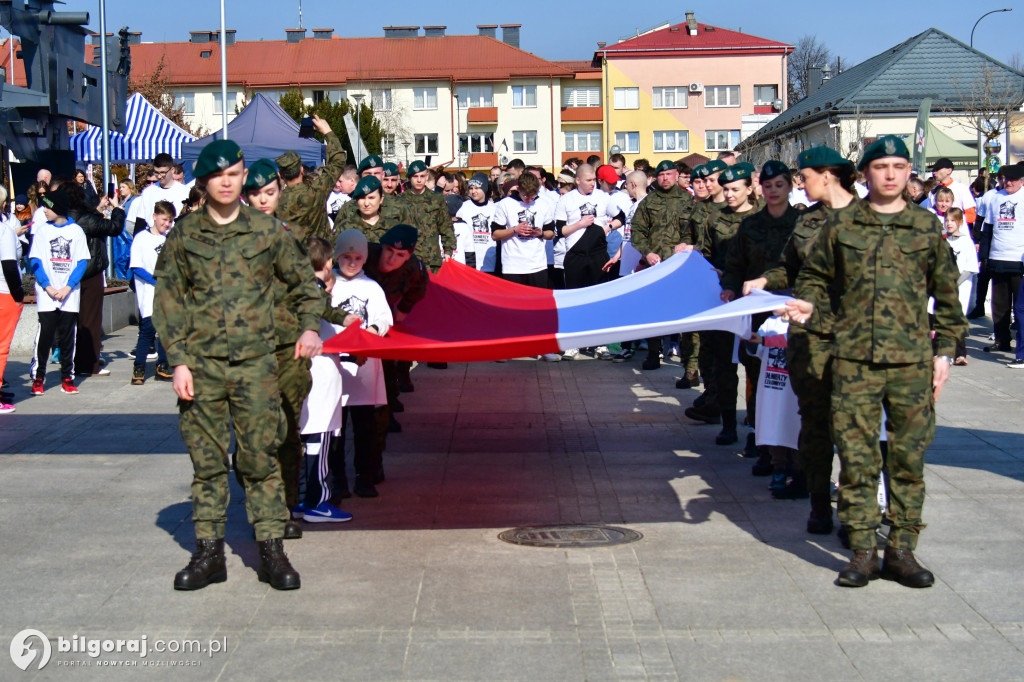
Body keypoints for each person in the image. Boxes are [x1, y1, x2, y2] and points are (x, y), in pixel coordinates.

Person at [788, 135, 967, 588]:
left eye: (899, 166)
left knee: (907, 458)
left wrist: (945, 352)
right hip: (853, 360)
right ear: (864, 173)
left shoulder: (927, 228)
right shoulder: (842, 225)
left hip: (910, 362)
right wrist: (808, 304)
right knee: (857, 456)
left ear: (909, 173)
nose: (890, 174)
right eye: (880, 166)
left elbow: (948, 296)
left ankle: (902, 550)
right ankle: (864, 550)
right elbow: (813, 275)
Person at [155, 139, 324, 591]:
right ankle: (209, 553)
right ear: (204, 182)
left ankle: (271, 549)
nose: (227, 183)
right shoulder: (185, 235)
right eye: (217, 176)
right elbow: (168, 299)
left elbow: (306, 284)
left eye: (234, 174)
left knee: (260, 458)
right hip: (203, 366)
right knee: (207, 462)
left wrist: (310, 328)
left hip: (255, 365)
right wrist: (179, 361)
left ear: (243, 175)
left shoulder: (267, 232)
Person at [746, 145, 857, 534]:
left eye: (804, 176)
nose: (798, 184)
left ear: (827, 174)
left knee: (854, 428)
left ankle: (854, 510)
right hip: (810, 339)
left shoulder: (867, 217)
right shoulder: (806, 221)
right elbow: (785, 267)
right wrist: (765, 281)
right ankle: (818, 503)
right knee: (814, 424)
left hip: (857, 339)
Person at [719, 160, 800, 460]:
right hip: (755, 310)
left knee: (788, 379)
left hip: (790, 311)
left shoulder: (801, 223)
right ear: (760, 188)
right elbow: (735, 263)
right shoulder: (750, 225)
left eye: (779, 185)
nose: (773, 191)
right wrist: (729, 286)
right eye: (768, 186)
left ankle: (789, 450)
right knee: (756, 373)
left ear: (790, 186)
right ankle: (761, 439)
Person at [692, 163, 759, 446]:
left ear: (750, 188)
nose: (729, 195)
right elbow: (704, 256)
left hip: (755, 301)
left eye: (735, 189)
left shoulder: (760, 218)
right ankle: (728, 424)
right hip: (724, 299)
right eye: (727, 189)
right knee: (723, 365)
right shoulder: (714, 219)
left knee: (755, 366)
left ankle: (757, 427)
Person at [329, 230, 393, 499]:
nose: (352, 262)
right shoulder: (329, 284)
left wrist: (375, 328)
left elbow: (383, 317)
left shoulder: (372, 287)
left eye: (357, 257)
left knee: (365, 428)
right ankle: (338, 479)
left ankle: (364, 476)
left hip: (365, 368)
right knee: (336, 432)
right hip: (336, 368)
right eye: (346, 257)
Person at [295, 236, 355, 521]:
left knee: (304, 438)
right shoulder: (313, 292)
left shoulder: (293, 289)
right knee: (319, 439)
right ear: (329, 263)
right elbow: (319, 308)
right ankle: (318, 501)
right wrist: (343, 318)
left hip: (302, 375)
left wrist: (341, 317)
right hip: (318, 375)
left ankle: (298, 498)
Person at [629, 160, 697, 371]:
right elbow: (637, 231)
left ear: (677, 175)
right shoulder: (648, 202)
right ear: (655, 177)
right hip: (655, 266)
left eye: (669, 174)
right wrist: (647, 252)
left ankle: (688, 360)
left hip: (681, 267)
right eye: (662, 174)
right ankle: (653, 353)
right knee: (653, 312)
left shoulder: (689, 200)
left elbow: (696, 231)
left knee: (685, 314)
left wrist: (687, 245)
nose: (666, 178)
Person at [363, 224, 429, 435]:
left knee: (386, 365)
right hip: (357, 315)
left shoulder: (413, 267)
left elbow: (419, 288)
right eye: (389, 251)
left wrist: (403, 309)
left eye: (400, 255)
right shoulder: (365, 255)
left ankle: (387, 409)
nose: (392, 259)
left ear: (408, 256)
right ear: (381, 247)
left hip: (384, 317)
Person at [554, 164, 624, 360]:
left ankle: (600, 344)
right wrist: (580, 224)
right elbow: (560, 230)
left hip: (597, 253)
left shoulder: (603, 197)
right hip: (575, 254)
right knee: (574, 300)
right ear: (578, 180)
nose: (593, 183)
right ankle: (573, 343)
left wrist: (607, 227)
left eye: (594, 180)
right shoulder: (566, 199)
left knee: (598, 300)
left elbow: (621, 217)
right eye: (589, 180)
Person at [29, 188, 89, 396]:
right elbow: (35, 260)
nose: (44, 210)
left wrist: (67, 287)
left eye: (47, 206)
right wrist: (47, 286)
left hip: (69, 294)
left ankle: (67, 377)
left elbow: (82, 262)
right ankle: (38, 377)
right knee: (45, 336)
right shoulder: (42, 231)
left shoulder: (76, 232)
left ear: (58, 208)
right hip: (47, 292)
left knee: (67, 336)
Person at [64, 181, 125, 377]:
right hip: (89, 273)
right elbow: (114, 228)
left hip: (67, 273)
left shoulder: (65, 218)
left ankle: (72, 362)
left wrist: (97, 209)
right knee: (90, 320)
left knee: (72, 321)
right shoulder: (85, 219)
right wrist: (117, 209)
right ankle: (88, 364)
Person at [978, 162, 1024, 362]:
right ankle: (1001, 339)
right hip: (998, 257)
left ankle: (1020, 346)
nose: (1009, 183)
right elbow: (987, 229)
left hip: (1018, 259)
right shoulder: (995, 198)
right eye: (1006, 179)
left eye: (1013, 180)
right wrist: (985, 257)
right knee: (1000, 304)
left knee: (1020, 307)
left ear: (1022, 181)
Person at [275, 114, 347, 242]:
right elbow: (338, 161)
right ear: (302, 170)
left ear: (280, 175)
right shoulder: (316, 191)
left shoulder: (275, 202)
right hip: (320, 256)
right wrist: (327, 132)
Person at [129, 200, 175, 385]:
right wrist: (156, 281)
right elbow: (136, 267)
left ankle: (162, 365)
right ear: (155, 216)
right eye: (164, 220)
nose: (167, 224)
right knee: (148, 329)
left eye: (170, 221)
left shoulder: (168, 239)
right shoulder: (141, 238)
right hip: (149, 293)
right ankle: (139, 367)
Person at [491, 170, 554, 288]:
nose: (529, 200)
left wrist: (541, 233)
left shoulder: (543, 204)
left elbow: (551, 233)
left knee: (538, 305)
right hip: (513, 267)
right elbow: (495, 235)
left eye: (533, 195)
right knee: (514, 305)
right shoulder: (505, 204)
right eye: (526, 195)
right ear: (518, 189)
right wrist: (515, 229)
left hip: (537, 265)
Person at [399, 160, 454, 272]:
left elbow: (446, 226)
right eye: (415, 176)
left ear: (427, 176)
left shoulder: (436, 199)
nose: (419, 180)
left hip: (432, 261)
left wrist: (448, 250)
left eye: (422, 176)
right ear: (409, 178)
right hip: (408, 261)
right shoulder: (400, 200)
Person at [941, 207, 978, 365]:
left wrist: (955, 283)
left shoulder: (966, 241)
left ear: (960, 222)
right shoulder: (943, 240)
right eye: (947, 220)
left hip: (960, 287)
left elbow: (971, 267)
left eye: (952, 221)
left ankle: (961, 353)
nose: (949, 224)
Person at [0, 188, 24, 413]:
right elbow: (9, 265)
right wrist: (19, 296)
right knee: (1, 347)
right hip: (4, 292)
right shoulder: (4, 230)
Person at [126, 153, 190, 234]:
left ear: (172, 170)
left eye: (163, 172)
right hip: (152, 239)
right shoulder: (148, 192)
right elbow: (140, 222)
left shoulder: (185, 192)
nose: (159, 176)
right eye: (156, 172)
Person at [455, 172, 496, 272]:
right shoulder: (463, 207)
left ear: (485, 188)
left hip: (489, 261)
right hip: (470, 262)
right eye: (471, 188)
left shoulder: (494, 208)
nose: (473, 191)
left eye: (477, 188)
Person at [922, 157, 976, 224]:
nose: (934, 172)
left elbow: (971, 216)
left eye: (937, 169)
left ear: (949, 171)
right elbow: (929, 215)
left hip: (957, 231)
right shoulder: (933, 191)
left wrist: (951, 221)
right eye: (933, 170)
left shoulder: (962, 189)